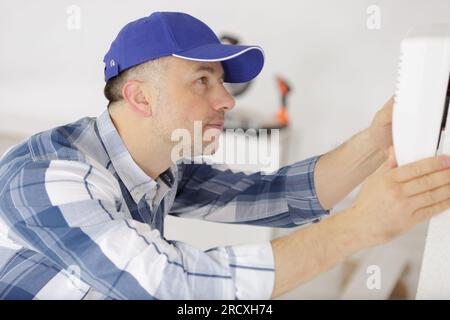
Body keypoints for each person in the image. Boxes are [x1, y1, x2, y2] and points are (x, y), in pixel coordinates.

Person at [1, 11, 450, 300]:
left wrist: (375, 140)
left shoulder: (160, 166)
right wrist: (358, 227)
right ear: (140, 98)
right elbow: (172, 290)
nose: (227, 100)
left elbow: (273, 195)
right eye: (202, 81)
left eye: (223, 81)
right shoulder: (45, 178)